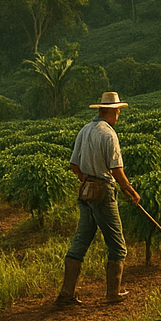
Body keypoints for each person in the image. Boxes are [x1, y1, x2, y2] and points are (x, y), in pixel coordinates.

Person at [56, 91, 141, 308]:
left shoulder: (84, 130)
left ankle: (66, 294)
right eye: (118, 112)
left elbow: (73, 164)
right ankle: (113, 293)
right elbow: (116, 170)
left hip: (85, 192)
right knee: (117, 246)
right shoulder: (109, 134)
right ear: (112, 112)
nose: (118, 116)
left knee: (80, 242)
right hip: (103, 193)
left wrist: (87, 179)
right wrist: (130, 190)